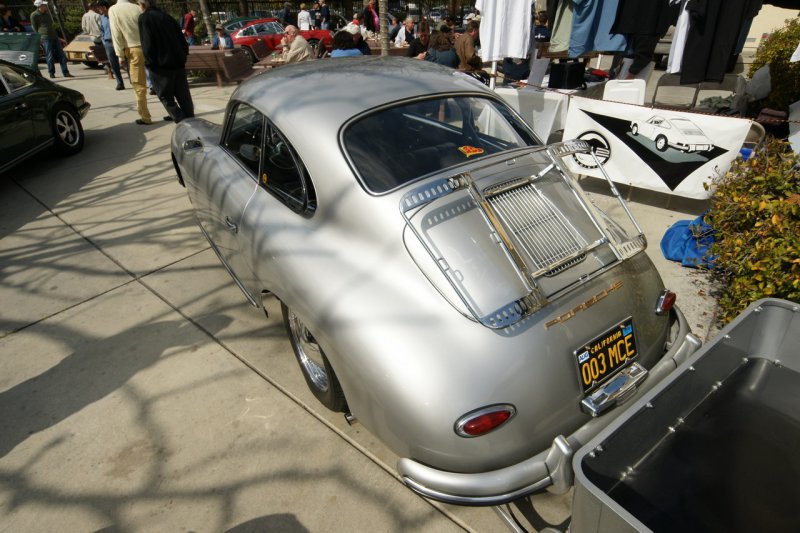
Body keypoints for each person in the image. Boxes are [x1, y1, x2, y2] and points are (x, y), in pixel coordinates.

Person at [138, 0, 193, 123]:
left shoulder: (144, 18)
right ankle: (190, 119)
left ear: (142, 5)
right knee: (183, 96)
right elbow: (183, 41)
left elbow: (147, 44)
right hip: (177, 62)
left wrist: (149, 63)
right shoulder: (167, 17)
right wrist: (183, 56)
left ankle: (183, 121)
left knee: (166, 97)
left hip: (161, 65)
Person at [110, 0, 151, 124]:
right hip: (148, 47)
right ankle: (173, 111)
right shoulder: (138, 7)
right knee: (159, 80)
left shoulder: (113, 10)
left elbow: (116, 34)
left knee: (139, 85)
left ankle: (145, 117)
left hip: (133, 49)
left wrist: (120, 55)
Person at [30, 0, 73, 79]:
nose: (46, 6)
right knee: (49, 56)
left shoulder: (47, 14)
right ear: (39, 6)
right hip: (45, 38)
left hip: (54, 36)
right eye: (44, 5)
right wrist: (39, 36)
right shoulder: (34, 15)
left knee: (61, 55)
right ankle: (51, 73)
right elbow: (34, 27)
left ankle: (66, 72)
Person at [97, 0, 124, 90]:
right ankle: (120, 83)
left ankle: (133, 81)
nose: (98, 10)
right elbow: (101, 30)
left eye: (99, 8)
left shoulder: (114, 15)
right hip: (108, 42)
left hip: (118, 41)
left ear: (104, 7)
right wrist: (104, 41)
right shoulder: (101, 18)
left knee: (125, 62)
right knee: (114, 64)